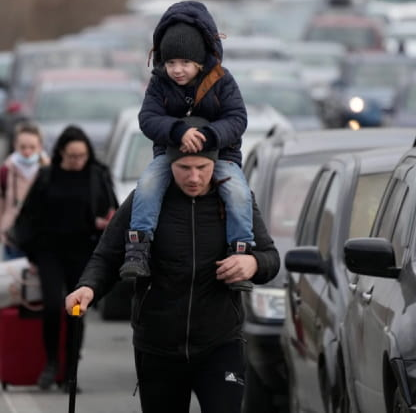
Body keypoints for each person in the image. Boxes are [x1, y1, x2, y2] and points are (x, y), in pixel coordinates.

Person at [65, 142, 280, 413]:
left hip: (220, 342)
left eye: (202, 168)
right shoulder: (144, 202)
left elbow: (271, 258)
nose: (194, 177)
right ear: (169, 165)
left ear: (215, 164)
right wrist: (88, 287)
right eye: (184, 168)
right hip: (158, 346)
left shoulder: (236, 201)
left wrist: (253, 262)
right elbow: (107, 256)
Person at [120, 0, 254, 292]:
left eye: (184, 63)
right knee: (147, 185)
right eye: (170, 63)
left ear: (199, 62)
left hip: (222, 156)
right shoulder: (159, 84)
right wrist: (177, 130)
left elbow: (237, 118)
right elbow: (147, 118)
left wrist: (208, 136)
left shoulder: (222, 81)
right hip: (169, 156)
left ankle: (240, 251)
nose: (177, 70)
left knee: (239, 193)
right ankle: (138, 249)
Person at [12, 125, 118, 391]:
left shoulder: (97, 175)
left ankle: (71, 371)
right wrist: (31, 252)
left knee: (75, 311)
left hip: (83, 252)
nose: (77, 161)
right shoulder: (47, 176)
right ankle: (50, 363)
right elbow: (27, 217)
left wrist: (105, 221)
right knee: (50, 306)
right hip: (49, 252)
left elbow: (112, 211)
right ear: (60, 153)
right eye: (72, 156)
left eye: (81, 156)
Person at [0, 121, 49, 260]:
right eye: (23, 147)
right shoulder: (6, 170)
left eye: (32, 147)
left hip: (42, 236)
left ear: (40, 146)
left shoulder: (48, 170)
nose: (27, 152)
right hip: (13, 236)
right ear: (15, 145)